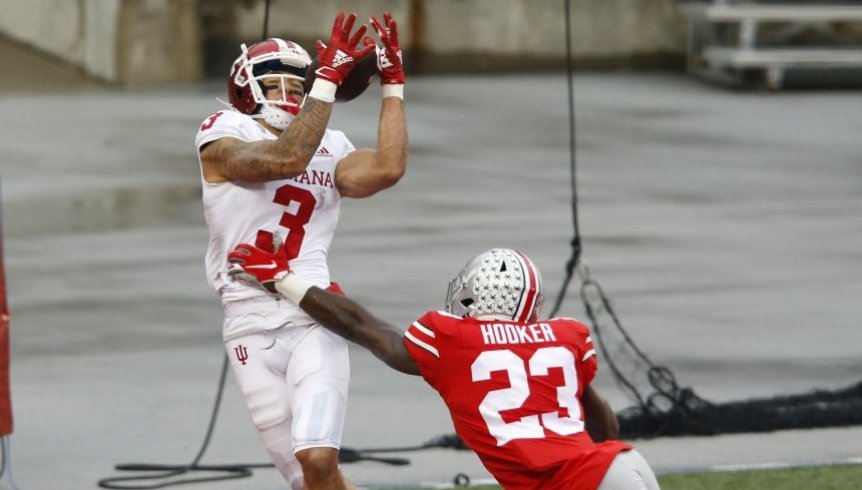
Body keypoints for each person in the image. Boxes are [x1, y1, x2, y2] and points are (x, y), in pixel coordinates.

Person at [227, 239, 661, 490]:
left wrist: (283, 279)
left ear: (472, 294)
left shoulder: (453, 338)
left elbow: (364, 327)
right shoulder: (565, 335)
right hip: (621, 465)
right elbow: (607, 431)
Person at [193, 10, 407, 490]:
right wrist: (326, 81)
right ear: (247, 89)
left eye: (298, 84)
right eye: (276, 86)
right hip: (246, 318)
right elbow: (283, 159)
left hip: (311, 309)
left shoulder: (331, 145)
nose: (290, 95)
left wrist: (392, 86)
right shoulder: (224, 132)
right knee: (308, 479)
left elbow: (388, 169)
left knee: (316, 461)